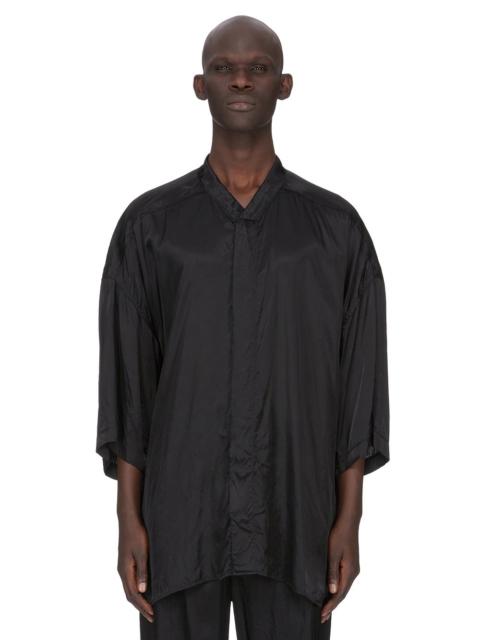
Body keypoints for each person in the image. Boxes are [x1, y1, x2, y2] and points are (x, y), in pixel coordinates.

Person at [95, 14, 390, 640]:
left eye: (258, 68)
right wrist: (127, 519)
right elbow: (129, 384)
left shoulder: (334, 230)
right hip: (181, 516)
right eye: (224, 68)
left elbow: (359, 383)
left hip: (296, 514)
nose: (240, 80)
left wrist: (350, 519)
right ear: (199, 85)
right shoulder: (150, 227)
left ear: (284, 85)